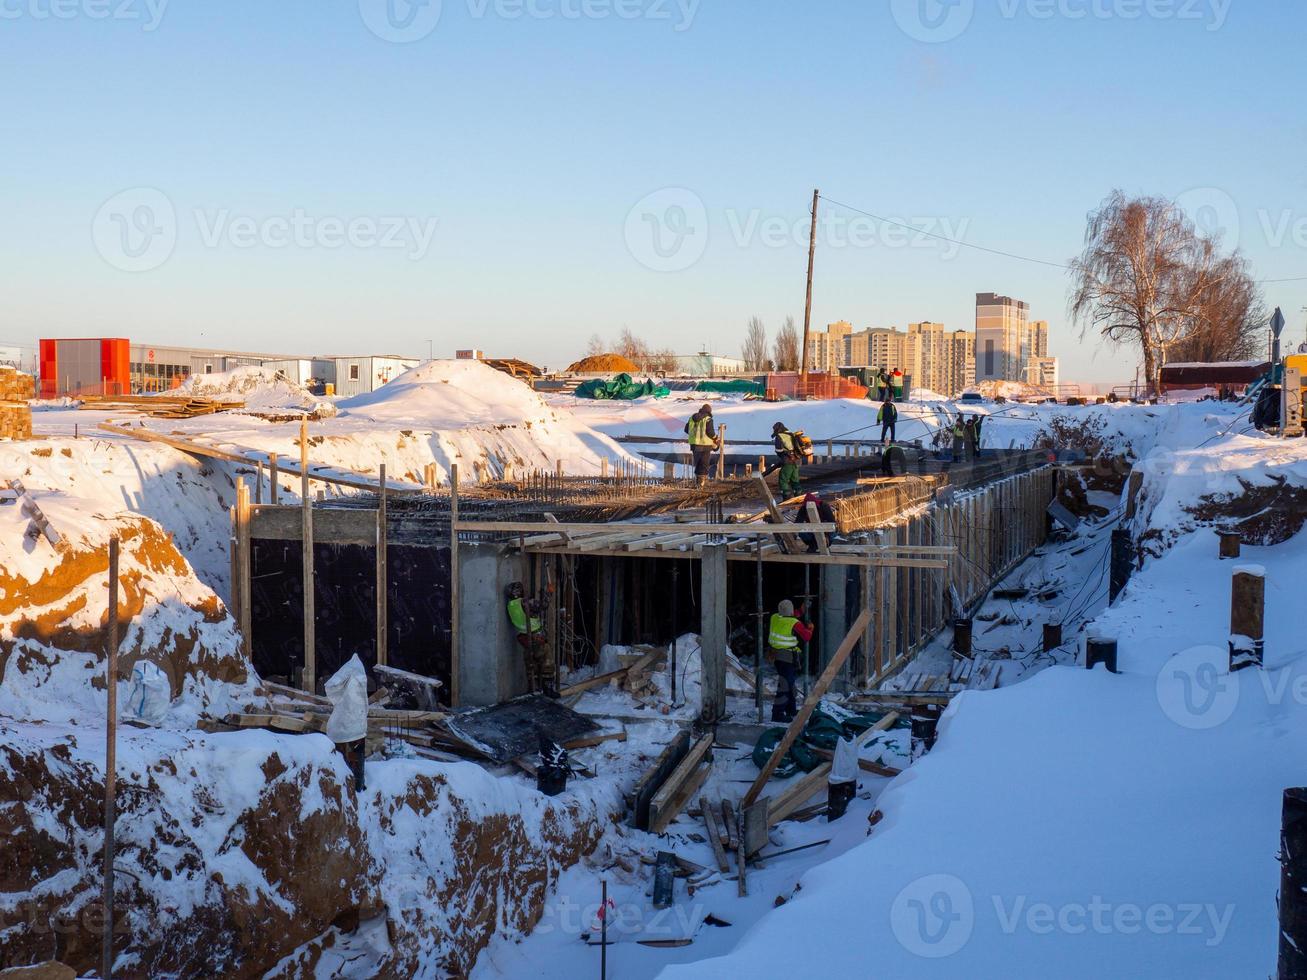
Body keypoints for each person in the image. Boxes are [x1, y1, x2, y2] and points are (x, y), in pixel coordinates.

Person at [506, 582, 556, 696]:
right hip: (535, 636)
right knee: (546, 660)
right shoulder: (525, 602)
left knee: (531, 664)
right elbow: (543, 605)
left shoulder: (511, 605)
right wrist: (549, 593)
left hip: (525, 638)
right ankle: (548, 689)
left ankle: (533, 689)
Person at [766, 599, 812, 722]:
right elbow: (807, 637)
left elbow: (789, 616)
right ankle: (777, 714)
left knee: (789, 683)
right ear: (791, 611)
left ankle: (791, 709)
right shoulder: (794, 623)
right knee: (785, 685)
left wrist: (801, 611)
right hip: (787, 658)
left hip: (776, 656)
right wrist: (811, 628)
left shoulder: (775, 617)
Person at [684, 404, 719, 484]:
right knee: (704, 464)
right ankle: (702, 482)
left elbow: (686, 430)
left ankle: (698, 481)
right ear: (709, 411)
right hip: (705, 445)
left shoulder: (692, 418)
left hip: (694, 445)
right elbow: (710, 432)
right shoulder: (708, 419)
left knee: (698, 463)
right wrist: (715, 437)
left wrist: (694, 433)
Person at [772, 422, 803, 499]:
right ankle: (798, 496)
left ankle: (786, 497)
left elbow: (779, 450)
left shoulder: (779, 436)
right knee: (794, 479)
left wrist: (782, 457)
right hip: (796, 460)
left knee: (783, 479)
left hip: (787, 460)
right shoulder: (791, 434)